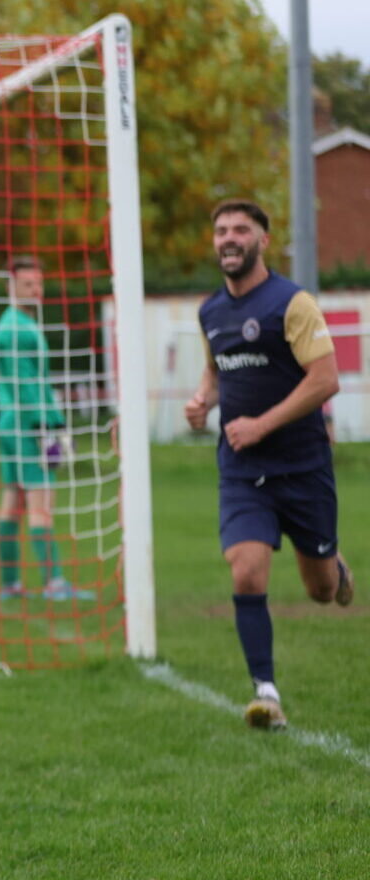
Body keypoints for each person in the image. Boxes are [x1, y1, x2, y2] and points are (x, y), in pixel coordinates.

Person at [184, 199, 353, 730]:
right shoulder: (210, 312)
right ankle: (266, 691)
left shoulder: (292, 303)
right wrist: (201, 401)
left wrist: (262, 423)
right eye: (220, 231)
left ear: (262, 239)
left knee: (321, 591)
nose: (228, 238)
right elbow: (217, 375)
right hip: (241, 470)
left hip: (302, 467)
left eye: (240, 229)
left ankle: (335, 566)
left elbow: (326, 380)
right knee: (247, 570)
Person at [0, 256, 89, 602]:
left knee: (13, 501)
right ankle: (54, 583)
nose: (36, 290)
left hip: (12, 422)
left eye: (39, 284)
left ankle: (11, 584)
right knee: (40, 501)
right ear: (11, 286)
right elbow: (26, 385)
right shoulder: (14, 329)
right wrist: (49, 427)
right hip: (27, 424)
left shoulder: (17, 323)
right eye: (28, 284)